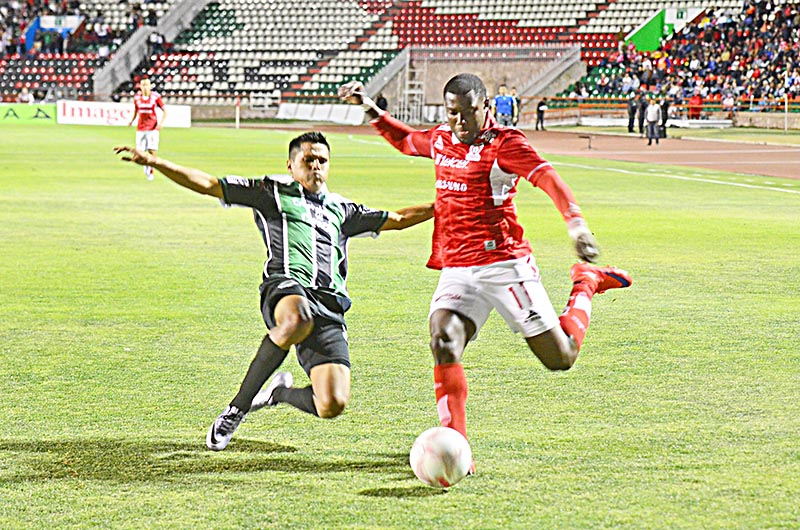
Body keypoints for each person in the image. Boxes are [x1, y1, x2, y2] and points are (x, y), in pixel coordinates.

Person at [338, 74, 631, 471]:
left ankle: (586, 283)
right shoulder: (442, 139)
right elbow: (406, 140)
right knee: (443, 340)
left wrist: (576, 226)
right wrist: (369, 108)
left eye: (469, 111)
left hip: (505, 265)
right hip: (459, 268)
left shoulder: (504, 144)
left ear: (486, 106)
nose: (460, 121)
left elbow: (548, 179)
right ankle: (456, 444)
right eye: (452, 112)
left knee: (561, 358)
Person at [114, 132, 434, 451]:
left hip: (330, 307)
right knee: (296, 319)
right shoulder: (272, 193)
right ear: (292, 165)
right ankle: (237, 408)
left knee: (332, 404)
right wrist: (158, 163)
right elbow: (211, 184)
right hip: (285, 287)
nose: (316, 167)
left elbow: (400, 218)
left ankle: (277, 393)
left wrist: (441, 205)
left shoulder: (342, 210)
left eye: (322, 160)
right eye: (308, 160)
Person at [127, 77, 166, 181]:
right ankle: (146, 168)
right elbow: (136, 111)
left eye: (146, 85)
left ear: (150, 86)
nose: (144, 87)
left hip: (152, 128)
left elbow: (165, 111)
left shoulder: (155, 97)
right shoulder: (137, 98)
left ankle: (151, 171)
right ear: (140, 86)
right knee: (140, 151)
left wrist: (161, 123)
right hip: (140, 128)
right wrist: (131, 120)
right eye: (142, 85)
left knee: (151, 150)